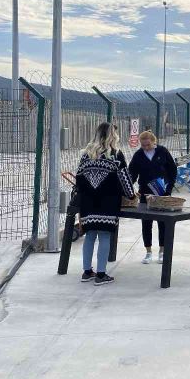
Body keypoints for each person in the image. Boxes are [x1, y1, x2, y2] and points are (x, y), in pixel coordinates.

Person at [75, 122, 135, 285]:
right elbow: (125, 179)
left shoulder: (86, 155)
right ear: (112, 136)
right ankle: (101, 275)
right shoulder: (115, 154)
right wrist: (131, 195)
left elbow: (78, 179)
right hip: (108, 203)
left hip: (88, 202)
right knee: (104, 236)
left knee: (89, 236)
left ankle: (87, 272)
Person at [128, 131, 177, 265]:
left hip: (162, 193)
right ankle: (148, 252)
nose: (145, 148)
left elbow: (172, 170)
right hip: (145, 193)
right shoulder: (138, 155)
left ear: (153, 141)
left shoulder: (163, 152)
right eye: (143, 145)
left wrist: (169, 188)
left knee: (162, 223)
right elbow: (131, 173)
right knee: (146, 223)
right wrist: (128, 188)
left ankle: (162, 251)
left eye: (148, 145)